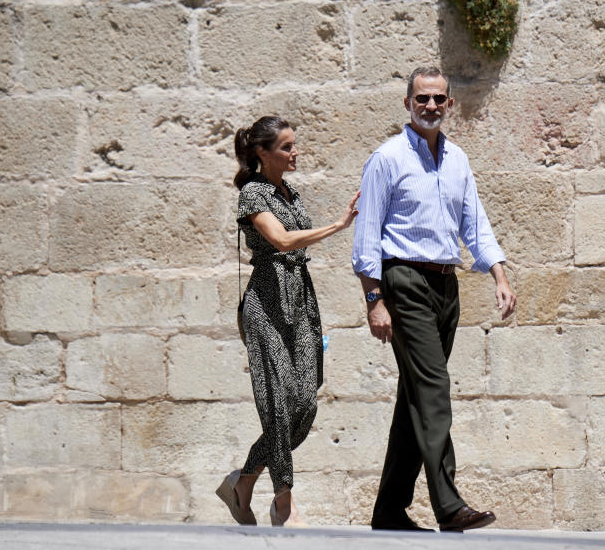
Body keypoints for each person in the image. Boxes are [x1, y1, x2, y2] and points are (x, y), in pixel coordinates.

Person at [352, 67, 516, 532]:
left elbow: (475, 224)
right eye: (421, 98)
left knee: (416, 398)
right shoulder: (386, 159)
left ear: (448, 105)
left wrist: (499, 277)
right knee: (434, 392)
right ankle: (448, 505)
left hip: (447, 285)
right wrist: (374, 300)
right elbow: (366, 237)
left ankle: (388, 511)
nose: (430, 106)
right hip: (403, 281)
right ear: (408, 104)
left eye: (438, 99)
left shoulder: (458, 160)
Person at [217, 116, 359, 527]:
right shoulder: (252, 194)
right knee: (277, 405)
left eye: (294, 145)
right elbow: (279, 240)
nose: (294, 152)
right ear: (262, 153)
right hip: (266, 301)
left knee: (305, 404)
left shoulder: (291, 193)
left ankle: (244, 482)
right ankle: (284, 501)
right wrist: (336, 226)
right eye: (286, 147)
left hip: (300, 300)